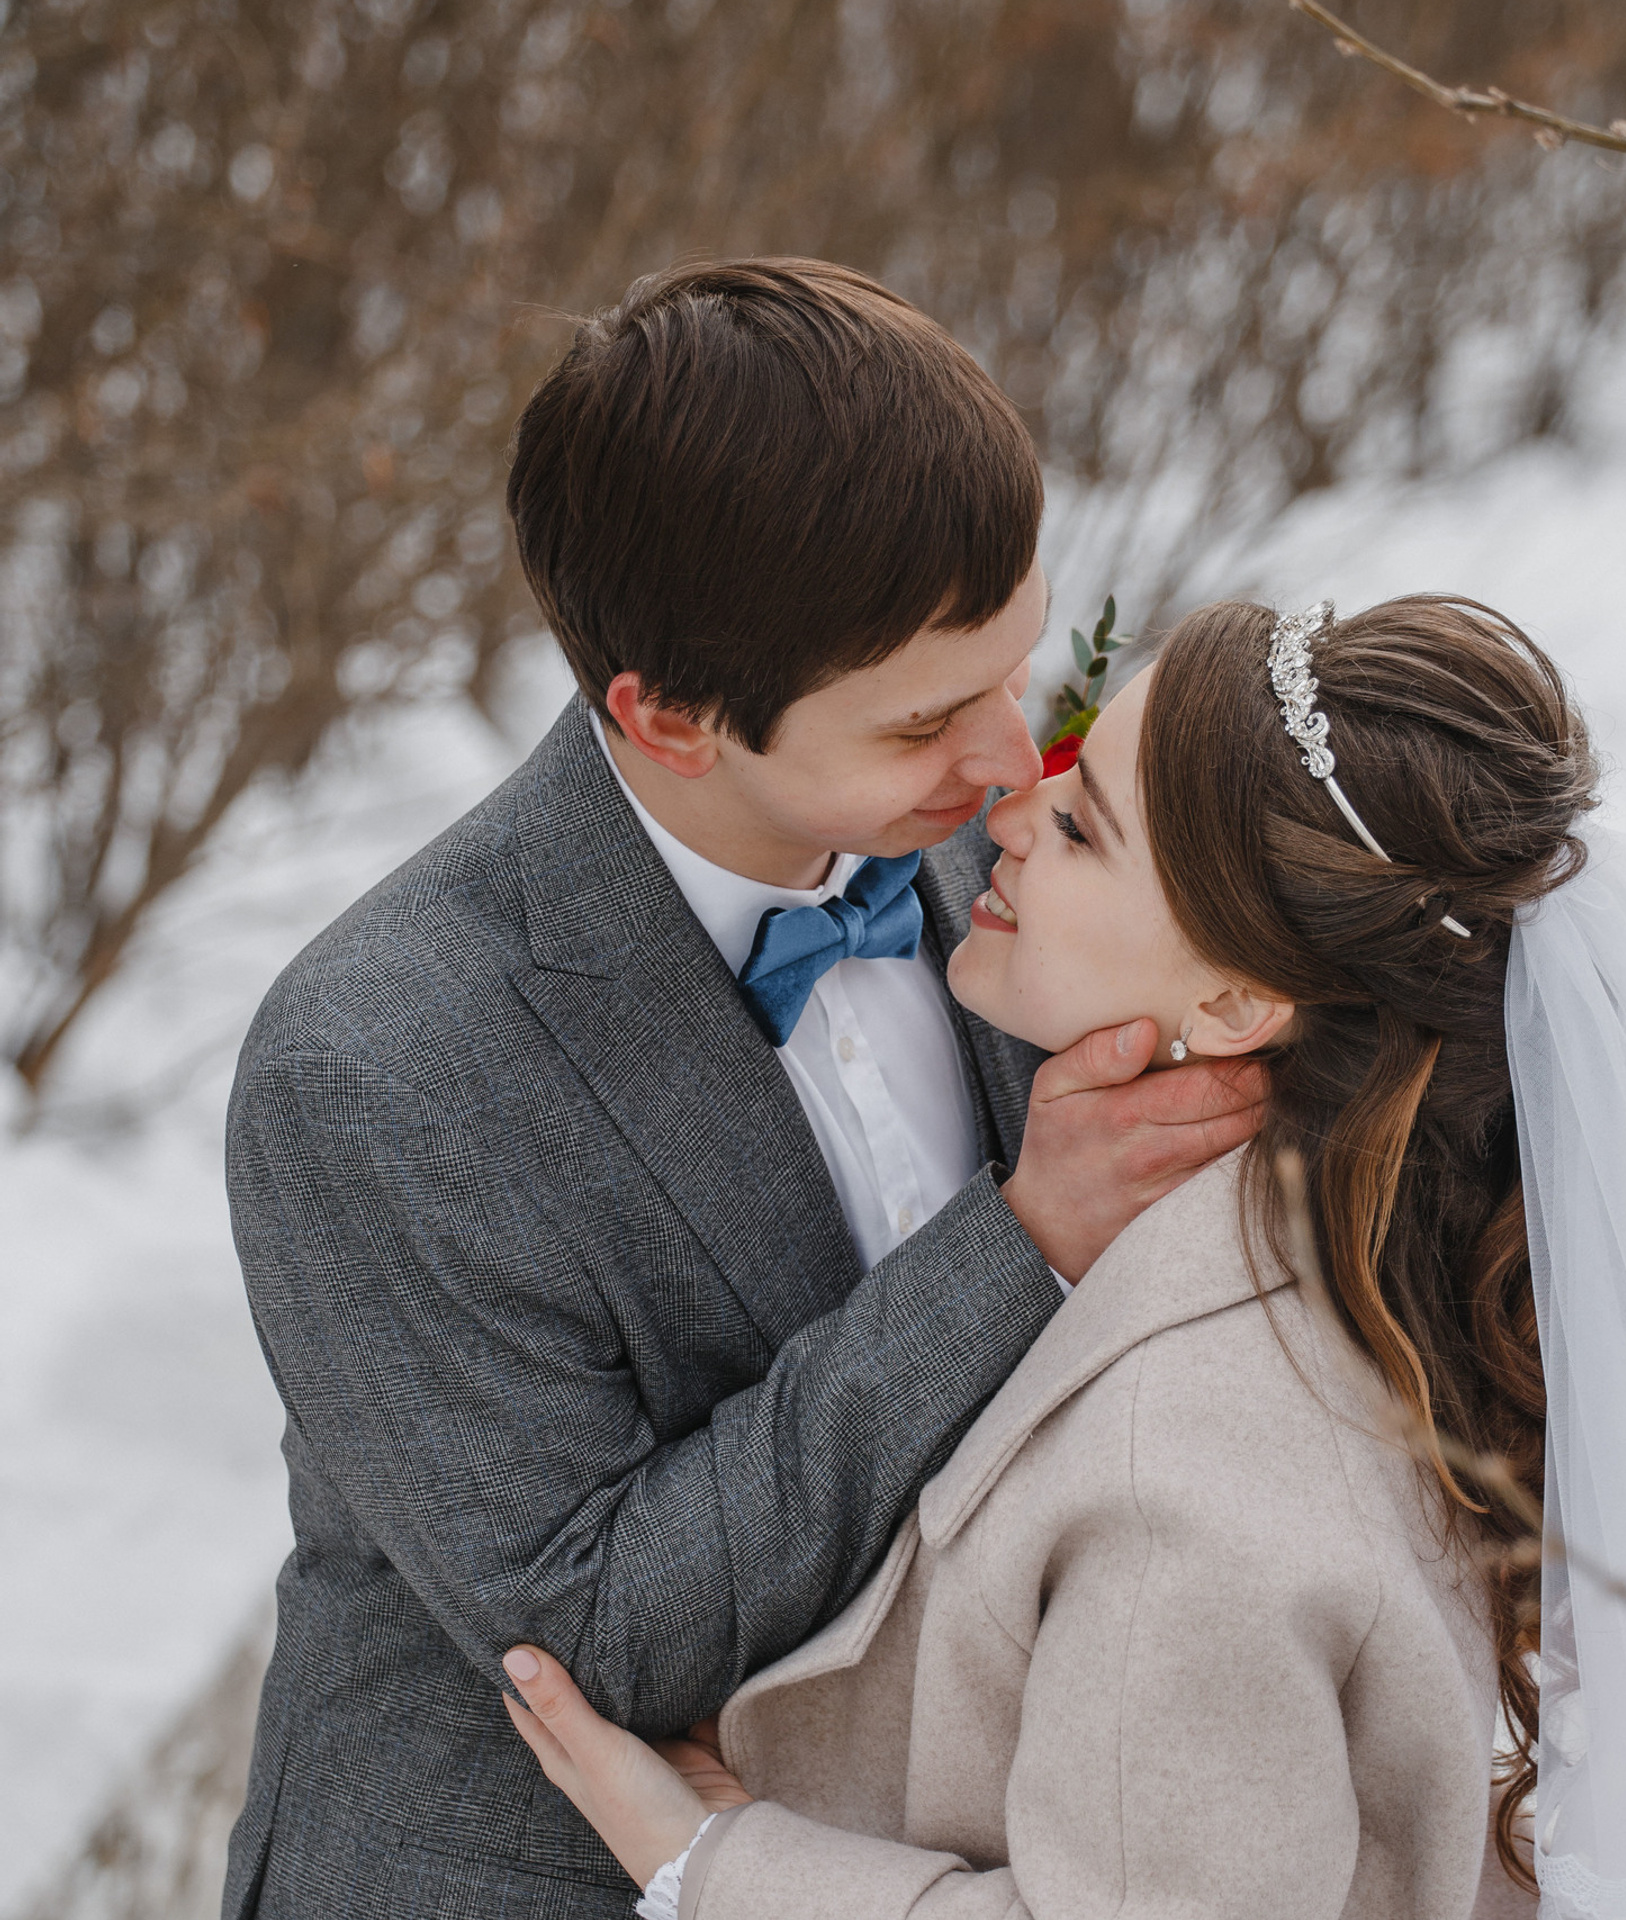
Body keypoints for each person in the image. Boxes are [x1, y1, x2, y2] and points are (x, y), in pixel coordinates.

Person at [499, 593, 1626, 1920]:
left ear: (1241, 999)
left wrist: (712, 1860)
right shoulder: (1353, 1269)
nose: (1010, 806)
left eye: (1087, 827)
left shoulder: (1184, 1486)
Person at [222, 259, 1261, 1920]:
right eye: (929, 717)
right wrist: (1028, 1240)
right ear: (669, 715)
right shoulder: (377, 1071)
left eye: (1016, 665)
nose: (1011, 761)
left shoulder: (994, 878)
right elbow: (597, 1626)